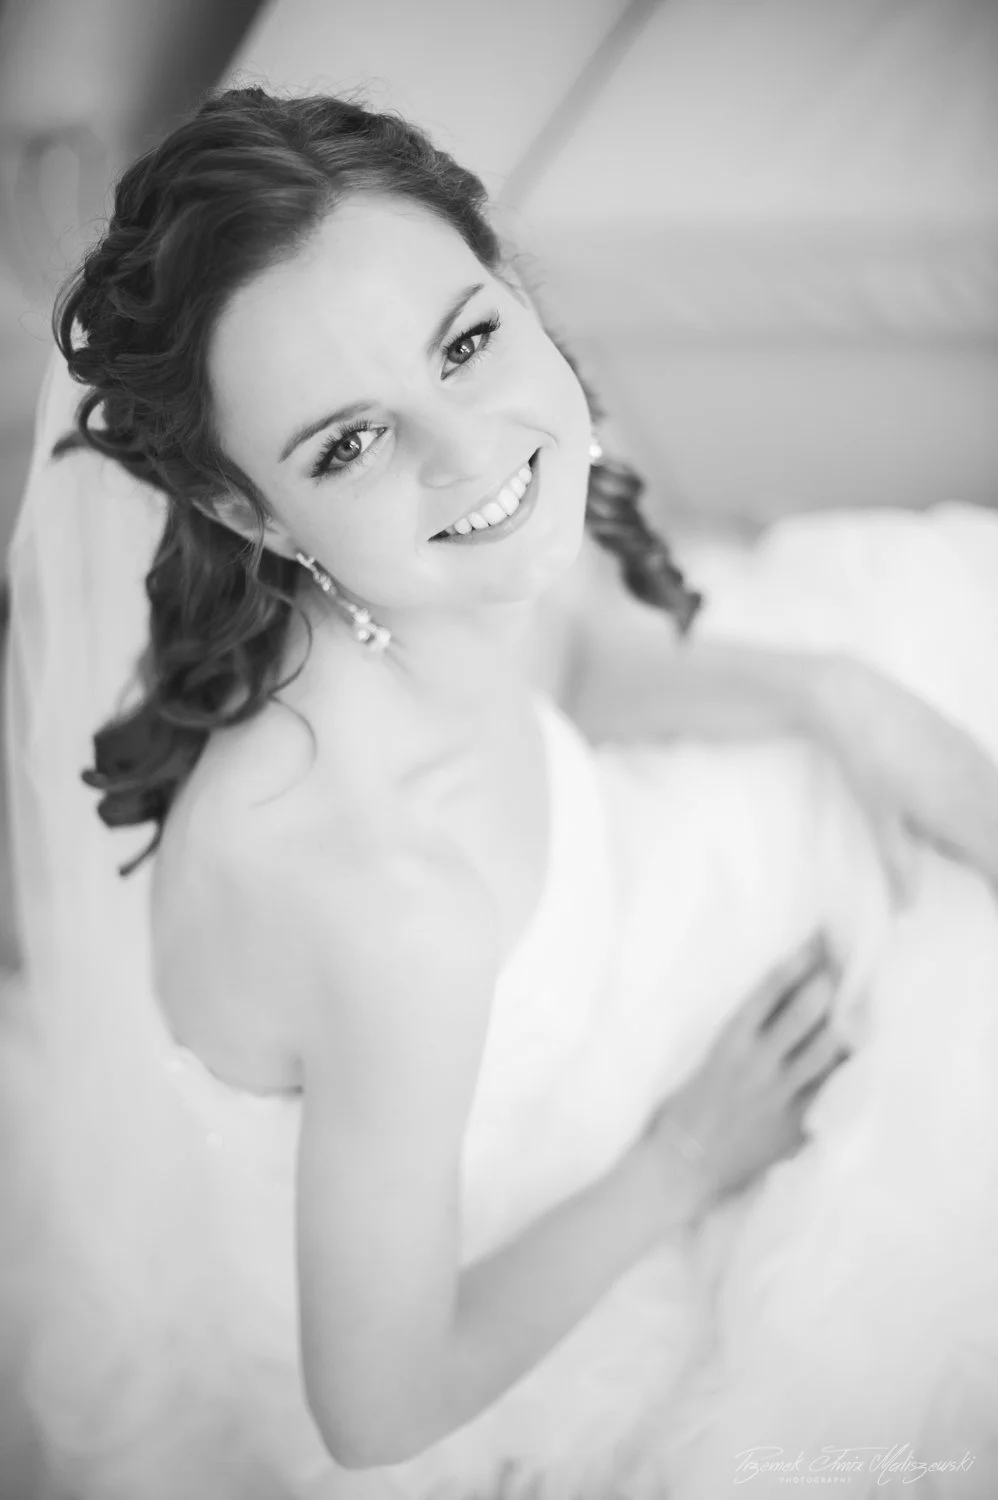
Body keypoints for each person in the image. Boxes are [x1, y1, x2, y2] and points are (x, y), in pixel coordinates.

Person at [3, 85, 998, 1500]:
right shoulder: (382, 902)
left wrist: (840, 701)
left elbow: (565, 665)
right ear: (245, 511)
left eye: (464, 342)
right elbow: (378, 1407)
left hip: (569, 946)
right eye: (348, 443)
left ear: (506, 277)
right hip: (509, 1214)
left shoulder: (421, 570)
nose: (471, 454)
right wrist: (683, 1158)